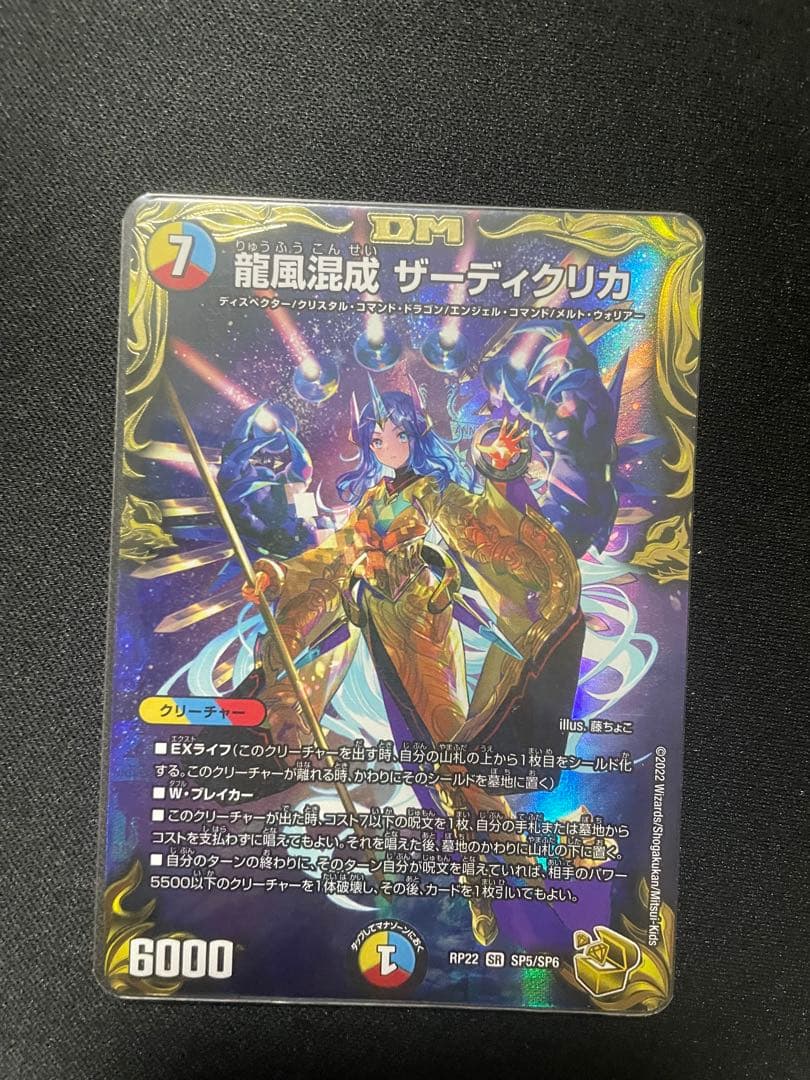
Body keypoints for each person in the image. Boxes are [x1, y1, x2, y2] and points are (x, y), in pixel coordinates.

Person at [242, 377, 584, 944]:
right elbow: (330, 562)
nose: (385, 444)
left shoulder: (434, 493)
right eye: (376, 437)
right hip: (381, 639)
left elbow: (485, 539)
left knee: (454, 759)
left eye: (394, 433)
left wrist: (502, 472)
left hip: (424, 633)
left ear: (414, 434)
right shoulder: (370, 502)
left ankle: (526, 870)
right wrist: (275, 574)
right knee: (429, 773)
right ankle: (478, 891)